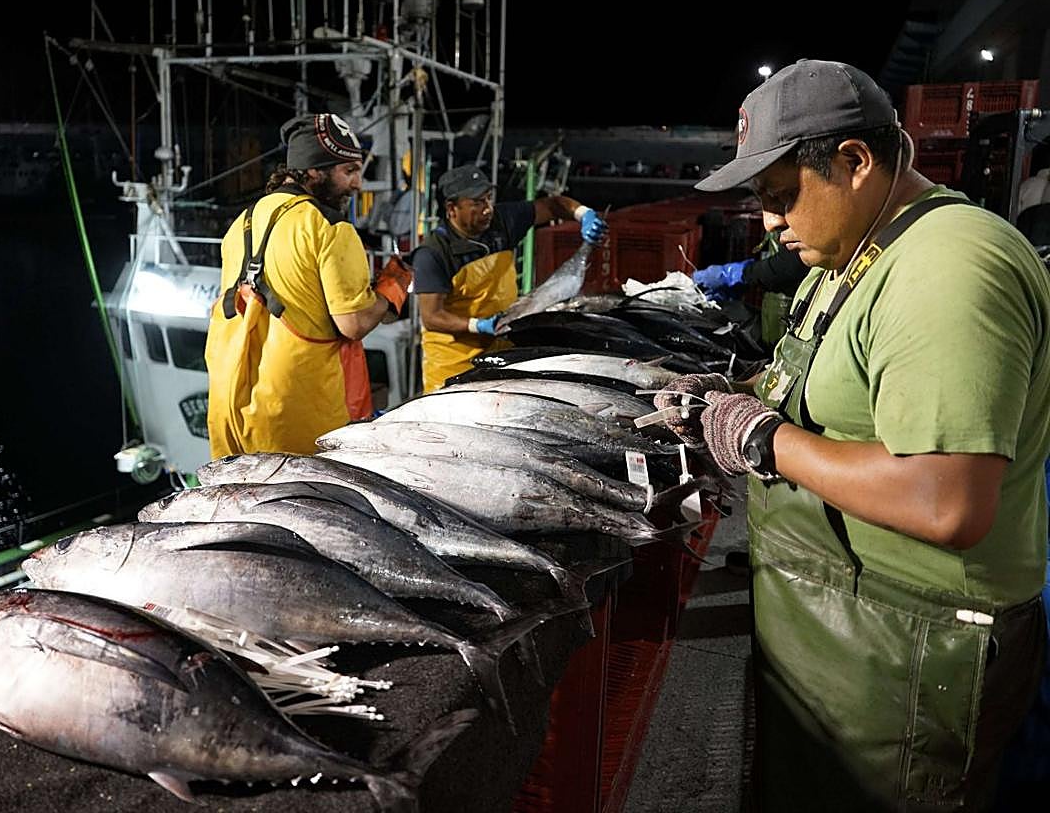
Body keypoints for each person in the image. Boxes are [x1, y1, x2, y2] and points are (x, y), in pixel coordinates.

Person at [656, 59, 1050, 811]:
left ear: (855, 162)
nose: (770, 221)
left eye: (780, 197)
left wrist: (764, 440)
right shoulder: (850, 256)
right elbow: (834, 402)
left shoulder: (947, 268)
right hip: (841, 636)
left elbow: (948, 503)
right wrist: (731, 397)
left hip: (911, 648)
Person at [206, 113, 412, 456]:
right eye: (348, 171)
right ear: (314, 171)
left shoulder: (242, 223)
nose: (358, 183)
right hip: (294, 420)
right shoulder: (329, 227)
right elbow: (355, 323)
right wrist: (393, 287)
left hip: (230, 411)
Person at [411, 165, 608, 391]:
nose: (487, 209)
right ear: (451, 208)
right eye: (476, 203)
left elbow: (553, 205)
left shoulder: (501, 222)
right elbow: (432, 317)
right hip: (454, 364)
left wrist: (583, 214)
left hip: (503, 348)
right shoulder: (432, 253)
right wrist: (479, 326)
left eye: (488, 198)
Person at [691, 229, 810, 346]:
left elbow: (788, 266)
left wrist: (741, 274)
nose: (770, 224)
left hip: (792, 310)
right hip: (774, 309)